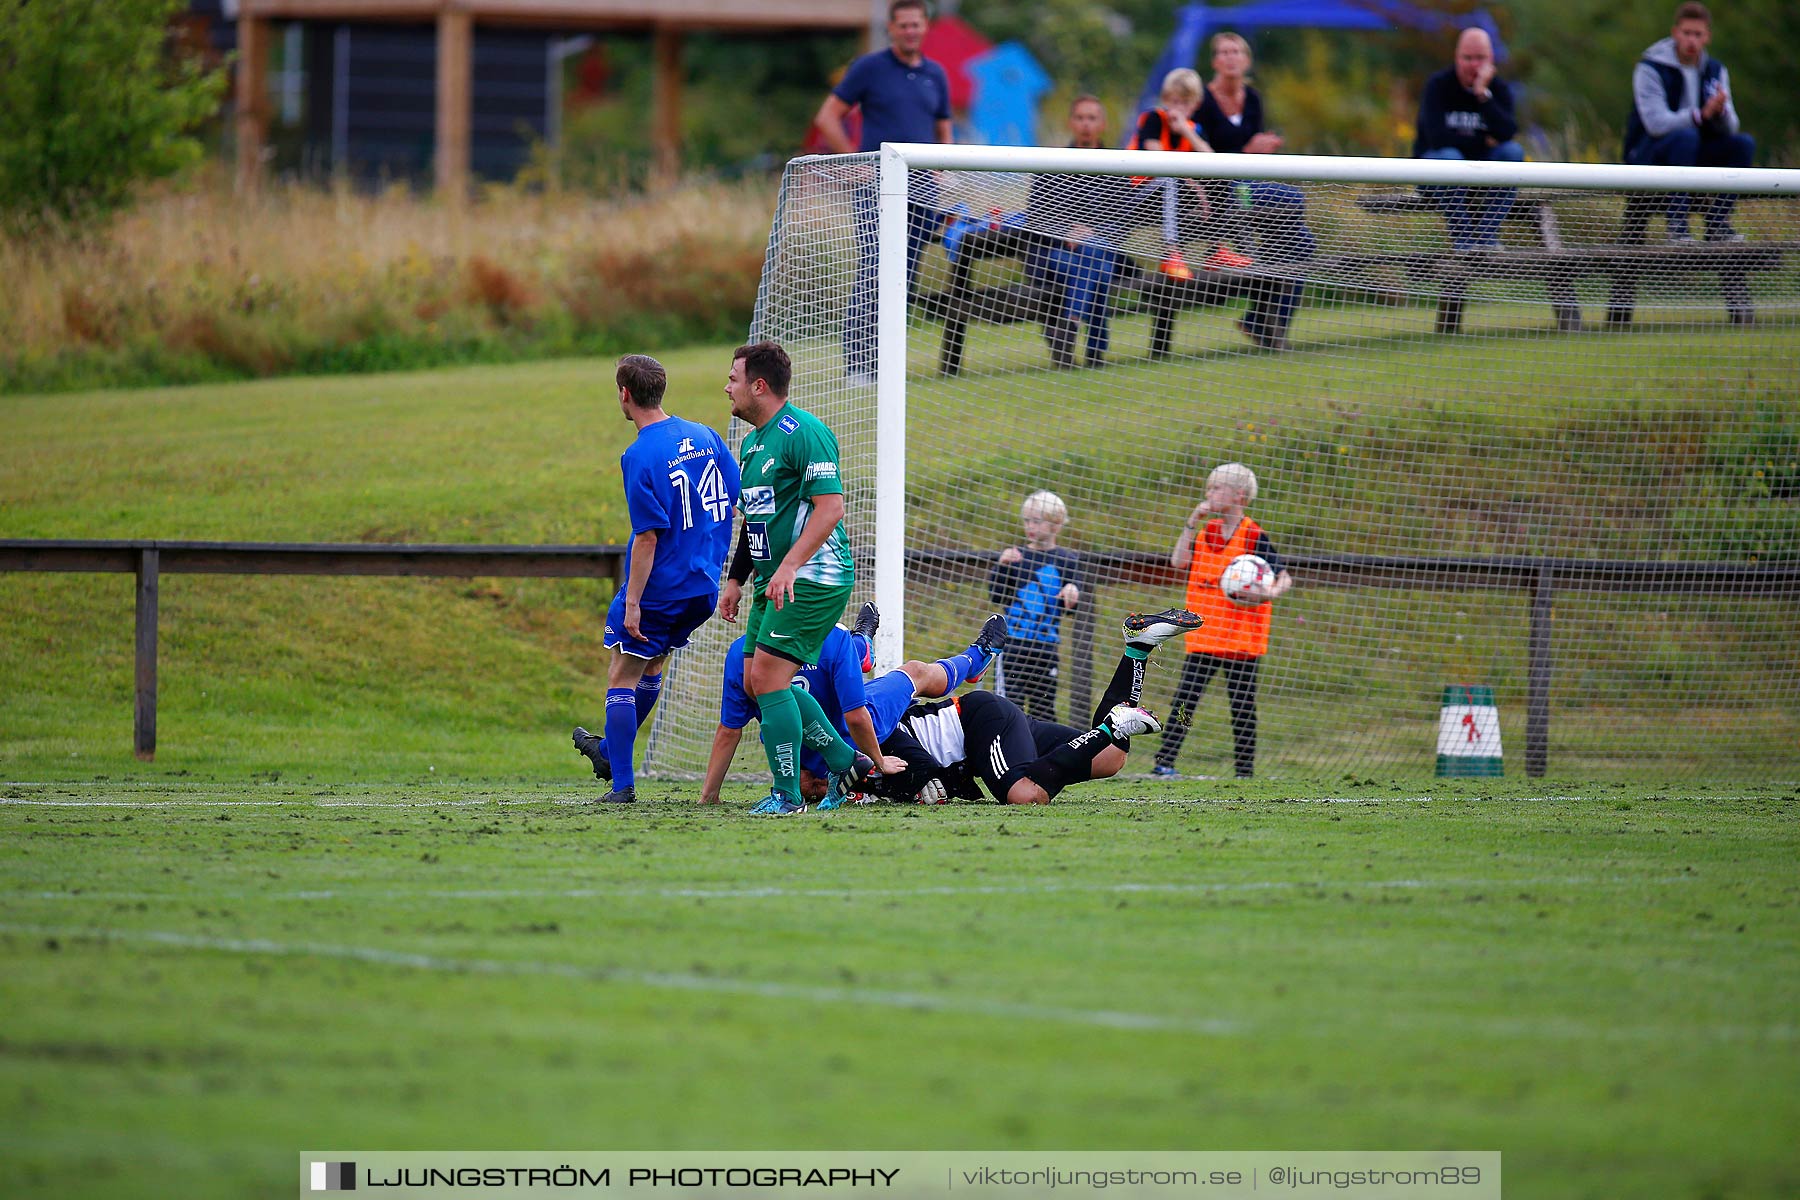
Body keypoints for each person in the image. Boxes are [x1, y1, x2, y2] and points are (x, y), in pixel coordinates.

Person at [717, 341, 885, 815]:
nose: (726, 387)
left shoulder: (805, 433)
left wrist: (790, 564)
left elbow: (831, 510)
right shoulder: (752, 444)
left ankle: (788, 796)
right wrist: (736, 579)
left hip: (814, 577)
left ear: (759, 385)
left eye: (733, 378)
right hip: (775, 582)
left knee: (769, 680)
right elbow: (756, 520)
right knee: (755, 682)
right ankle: (844, 761)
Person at [570, 355, 739, 804]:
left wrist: (633, 602)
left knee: (621, 675)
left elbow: (647, 537)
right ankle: (610, 751)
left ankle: (620, 782)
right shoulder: (706, 435)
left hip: (662, 587)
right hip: (703, 587)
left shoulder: (639, 455)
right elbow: (732, 498)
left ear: (625, 395)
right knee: (653, 663)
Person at [869, 608, 1204, 806]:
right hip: (987, 720)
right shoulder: (855, 724)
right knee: (1109, 758)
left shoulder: (867, 727)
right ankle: (1138, 647)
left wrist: (879, 786)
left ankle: (1113, 725)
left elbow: (922, 768)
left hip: (978, 725)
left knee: (1026, 795)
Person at [698, 606, 1011, 809]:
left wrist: (708, 795)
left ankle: (974, 659)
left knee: (910, 671)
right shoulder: (830, 637)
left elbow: (730, 730)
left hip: (824, 743)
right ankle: (865, 643)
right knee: (912, 671)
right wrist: (877, 760)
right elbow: (856, 717)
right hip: (846, 736)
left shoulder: (743, 651)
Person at [814, 0, 953, 382]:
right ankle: (860, 366)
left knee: (907, 273)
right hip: (877, 187)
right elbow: (827, 117)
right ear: (891, 28)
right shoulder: (869, 68)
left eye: (916, 25)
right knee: (874, 270)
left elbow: (943, 128)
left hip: (924, 189)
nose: (910, 31)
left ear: (926, 27)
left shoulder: (935, 74)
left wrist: (943, 167)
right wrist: (853, 161)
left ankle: (887, 363)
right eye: (903, 25)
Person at [1152, 463, 1293, 780]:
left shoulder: (1253, 535)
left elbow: (1283, 577)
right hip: (1204, 635)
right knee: (1185, 701)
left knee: (1242, 707)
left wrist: (1267, 592)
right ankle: (1165, 762)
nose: (1208, 493)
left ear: (1238, 496)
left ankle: (1245, 771)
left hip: (1242, 640)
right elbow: (1178, 562)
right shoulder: (1206, 531)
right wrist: (1191, 521)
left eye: (1216, 488)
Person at [1195, 32, 1318, 351]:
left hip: (1251, 190)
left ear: (1247, 60)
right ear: (1214, 61)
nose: (1231, 57)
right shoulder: (1202, 102)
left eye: (1237, 51)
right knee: (1296, 200)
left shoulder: (1253, 100)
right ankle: (1262, 313)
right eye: (1224, 52)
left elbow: (1253, 160)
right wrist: (1248, 152)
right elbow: (1201, 156)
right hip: (1222, 194)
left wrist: (1262, 151)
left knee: (1304, 243)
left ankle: (1260, 322)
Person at [1624, 2, 1755, 242]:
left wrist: (1720, 113)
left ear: (1707, 37)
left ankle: (1717, 224)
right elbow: (1656, 124)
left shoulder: (1715, 70)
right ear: (1675, 33)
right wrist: (1700, 115)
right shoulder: (1651, 67)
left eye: (1698, 34)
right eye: (1686, 33)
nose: (1691, 41)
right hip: (1650, 157)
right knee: (1686, 136)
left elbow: (1731, 126)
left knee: (1743, 143)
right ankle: (1677, 226)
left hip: (1693, 155)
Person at [1024, 96, 1138, 369]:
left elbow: (1125, 220)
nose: (1086, 124)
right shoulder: (1052, 166)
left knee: (1095, 250)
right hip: (1058, 257)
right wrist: (1065, 232)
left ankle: (1070, 323)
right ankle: (1095, 348)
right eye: (1080, 118)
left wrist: (1092, 232)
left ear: (1103, 124)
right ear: (1070, 123)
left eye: (1092, 118)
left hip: (1104, 255)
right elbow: (1036, 217)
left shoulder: (1117, 167)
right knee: (1093, 262)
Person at [1129, 69, 1249, 280]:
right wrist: (1193, 185)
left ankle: (1216, 250)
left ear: (1195, 105)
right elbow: (1158, 159)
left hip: (1177, 196)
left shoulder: (1193, 129)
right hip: (1140, 195)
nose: (1178, 109)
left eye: (1185, 103)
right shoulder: (1154, 119)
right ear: (1165, 100)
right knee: (1170, 179)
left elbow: (1211, 161)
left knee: (1220, 178)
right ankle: (1171, 254)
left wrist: (1186, 130)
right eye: (1174, 102)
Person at [1413, 28, 1524, 251]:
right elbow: (1437, 139)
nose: (1474, 65)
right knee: (1450, 156)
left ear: (1491, 59)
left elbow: (1508, 133)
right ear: (1457, 58)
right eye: (1468, 58)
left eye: (1480, 58)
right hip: (1436, 171)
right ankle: (1463, 240)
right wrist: (1483, 142)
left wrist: (1482, 94)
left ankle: (1486, 239)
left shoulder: (1498, 89)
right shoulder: (1438, 85)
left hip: (1480, 174)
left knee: (1513, 153)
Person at [988, 491, 1083, 723]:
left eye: (1037, 521)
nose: (1030, 526)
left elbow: (1071, 604)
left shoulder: (1066, 560)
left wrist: (1072, 592)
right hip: (1014, 647)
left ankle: (1041, 756)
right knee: (1008, 707)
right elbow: (997, 595)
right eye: (1027, 520)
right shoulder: (1017, 556)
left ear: (1056, 525)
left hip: (1045, 647)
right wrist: (1002, 566)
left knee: (1043, 708)